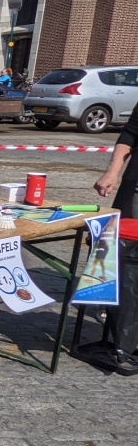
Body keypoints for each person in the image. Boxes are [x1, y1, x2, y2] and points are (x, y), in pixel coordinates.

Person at [92, 108, 138, 370]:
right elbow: (129, 134)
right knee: (125, 263)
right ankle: (125, 340)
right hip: (135, 191)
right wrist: (112, 173)